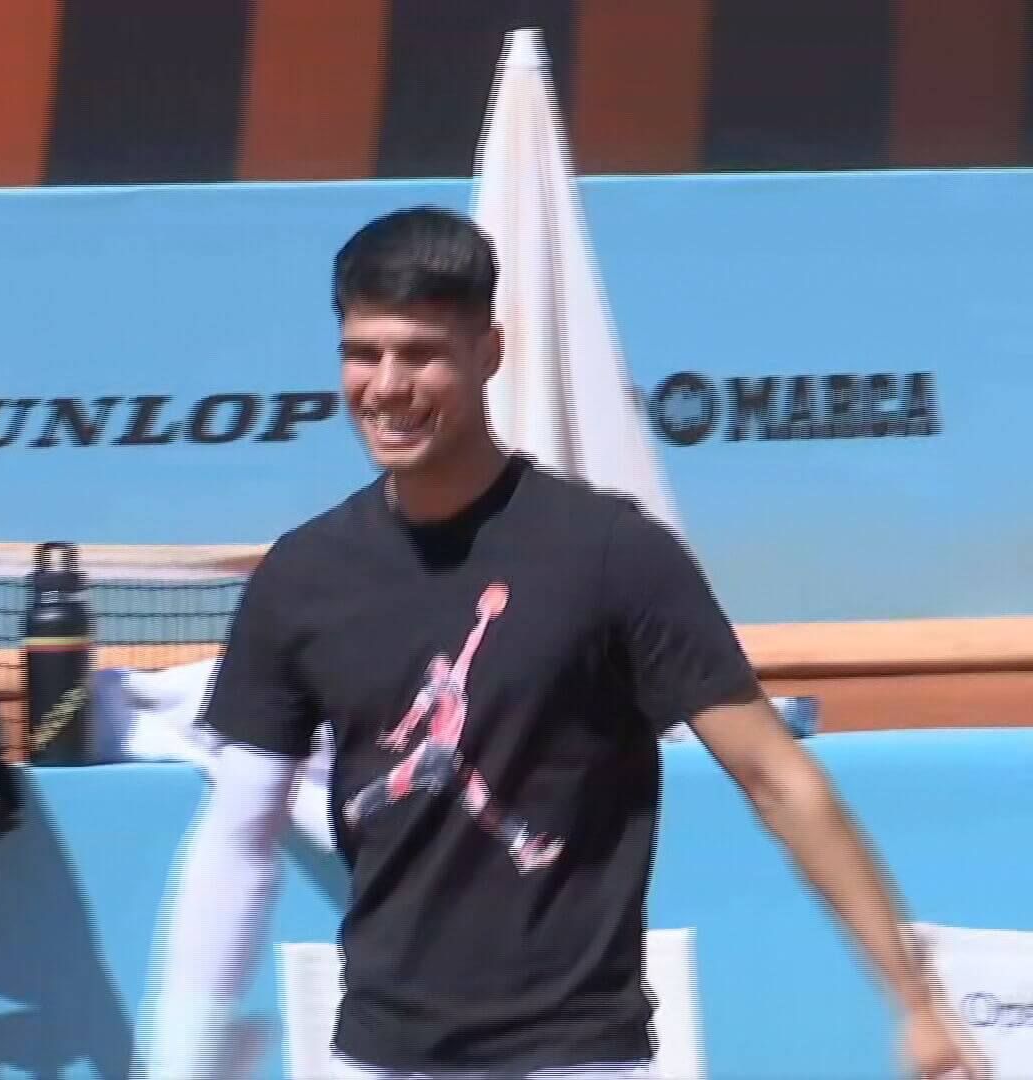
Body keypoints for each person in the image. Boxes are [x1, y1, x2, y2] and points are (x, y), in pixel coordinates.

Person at [136, 207, 987, 1080]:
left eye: (421, 353)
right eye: (364, 353)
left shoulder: (613, 553)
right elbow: (239, 833)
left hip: (578, 1059)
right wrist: (176, 1059)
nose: (387, 386)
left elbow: (778, 778)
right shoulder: (301, 576)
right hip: (378, 1058)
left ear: (488, 352)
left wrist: (917, 1002)